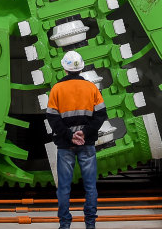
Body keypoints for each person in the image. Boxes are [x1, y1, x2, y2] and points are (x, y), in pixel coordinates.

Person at [46, 50, 107, 229]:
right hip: (87, 144)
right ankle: (90, 224)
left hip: (65, 146)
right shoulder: (91, 88)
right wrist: (84, 133)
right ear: (81, 68)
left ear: (64, 68)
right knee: (90, 187)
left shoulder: (57, 89)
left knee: (64, 188)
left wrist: (69, 135)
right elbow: (101, 115)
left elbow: (52, 117)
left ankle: (65, 225)